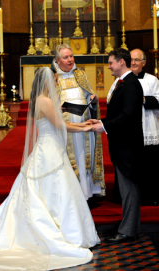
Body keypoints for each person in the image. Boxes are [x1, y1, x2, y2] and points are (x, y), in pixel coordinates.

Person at [0, 67, 100, 270]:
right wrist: (88, 127)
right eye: (55, 80)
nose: (57, 83)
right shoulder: (44, 101)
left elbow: (59, 123)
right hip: (49, 151)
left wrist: (86, 125)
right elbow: (60, 126)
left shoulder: (42, 100)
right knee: (58, 189)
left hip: (49, 148)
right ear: (46, 82)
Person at [90, 48, 144, 243]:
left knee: (129, 189)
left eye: (111, 62)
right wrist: (101, 120)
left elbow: (127, 117)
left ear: (122, 62)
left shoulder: (131, 85)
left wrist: (103, 125)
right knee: (126, 188)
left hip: (128, 146)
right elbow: (117, 113)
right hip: (122, 145)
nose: (109, 65)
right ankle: (129, 228)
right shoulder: (122, 83)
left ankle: (128, 230)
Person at [51, 44, 105, 200]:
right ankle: (71, 196)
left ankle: (86, 193)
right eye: (65, 57)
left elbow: (88, 96)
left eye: (71, 56)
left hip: (84, 129)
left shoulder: (80, 74)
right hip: (65, 130)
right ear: (57, 60)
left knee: (84, 158)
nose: (70, 60)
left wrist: (93, 101)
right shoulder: (53, 77)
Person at [131, 48, 159, 206]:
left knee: (151, 164)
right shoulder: (122, 80)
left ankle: (152, 195)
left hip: (149, 126)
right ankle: (132, 197)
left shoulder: (152, 80)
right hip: (131, 130)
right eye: (131, 60)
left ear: (144, 63)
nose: (133, 63)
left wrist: (144, 99)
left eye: (137, 60)